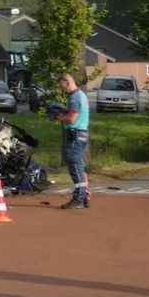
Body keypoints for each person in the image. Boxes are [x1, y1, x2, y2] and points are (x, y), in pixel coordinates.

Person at [57, 73, 90, 210]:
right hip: (81, 134)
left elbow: (71, 119)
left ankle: (79, 197)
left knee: (75, 166)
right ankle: (84, 195)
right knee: (79, 166)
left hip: (75, 135)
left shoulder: (74, 98)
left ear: (67, 82)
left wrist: (58, 117)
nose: (61, 90)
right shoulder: (81, 95)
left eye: (61, 86)